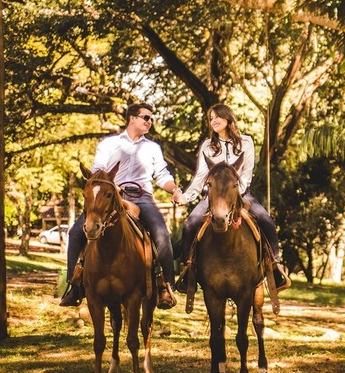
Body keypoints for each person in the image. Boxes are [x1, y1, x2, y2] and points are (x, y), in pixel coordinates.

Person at [60, 102, 179, 309]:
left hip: (142, 197)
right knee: (75, 233)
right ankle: (75, 286)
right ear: (132, 118)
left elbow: (162, 176)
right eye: (146, 117)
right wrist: (113, 187)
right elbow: (97, 170)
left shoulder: (152, 148)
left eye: (151, 118)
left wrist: (175, 190)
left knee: (162, 235)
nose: (150, 122)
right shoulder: (109, 144)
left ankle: (165, 288)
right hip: (110, 197)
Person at [175, 103, 291, 291]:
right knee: (190, 224)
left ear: (228, 118)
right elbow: (200, 177)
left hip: (239, 193)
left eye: (217, 117)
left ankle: (275, 266)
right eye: (211, 118)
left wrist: (236, 193)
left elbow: (247, 172)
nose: (213, 121)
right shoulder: (207, 145)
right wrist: (186, 197)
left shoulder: (246, 142)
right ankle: (188, 270)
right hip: (212, 197)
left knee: (266, 220)